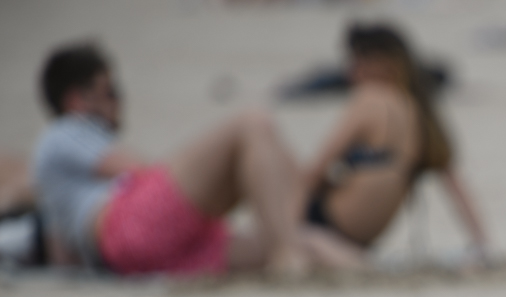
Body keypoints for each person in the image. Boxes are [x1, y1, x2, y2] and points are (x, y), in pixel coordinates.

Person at [31, 43, 311, 275]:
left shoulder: (58, 171)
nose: (119, 102)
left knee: (291, 241)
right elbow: (138, 169)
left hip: (140, 254)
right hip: (131, 227)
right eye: (110, 92)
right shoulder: (64, 131)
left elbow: (62, 252)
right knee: (254, 123)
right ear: (76, 100)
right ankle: (289, 256)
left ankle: (309, 255)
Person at [301, 23, 490, 265]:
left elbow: (314, 173)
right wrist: (482, 245)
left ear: (383, 64)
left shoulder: (370, 101)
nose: (350, 72)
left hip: (327, 225)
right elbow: (454, 184)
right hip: (355, 235)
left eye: (358, 61)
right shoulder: (423, 118)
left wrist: (285, 236)